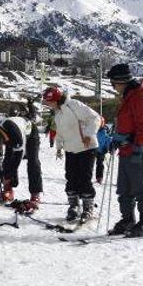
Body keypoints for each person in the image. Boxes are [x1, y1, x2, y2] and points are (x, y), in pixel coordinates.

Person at [106, 63, 143, 237]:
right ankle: (128, 219)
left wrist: (133, 141)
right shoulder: (129, 95)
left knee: (140, 185)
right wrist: (118, 138)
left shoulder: (141, 96)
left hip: (139, 146)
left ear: (122, 82)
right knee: (124, 186)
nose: (113, 88)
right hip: (127, 146)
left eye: (114, 83)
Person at [42, 87, 101, 222]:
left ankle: (88, 208)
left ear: (56, 99)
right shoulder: (57, 113)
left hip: (86, 147)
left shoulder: (73, 105)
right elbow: (60, 133)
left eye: (49, 101)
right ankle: (73, 206)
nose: (48, 104)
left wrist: (89, 134)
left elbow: (95, 118)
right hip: (70, 149)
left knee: (84, 178)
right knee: (71, 178)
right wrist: (58, 147)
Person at [0, 112, 43, 211]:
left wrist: (8, 176)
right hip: (8, 135)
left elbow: (17, 159)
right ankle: (8, 190)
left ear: (1, 141)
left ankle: (35, 193)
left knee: (33, 162)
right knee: (7, 161)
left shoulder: (16, 137)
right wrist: (1, 175)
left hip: (29, 133)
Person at [95, 119, 112, 183]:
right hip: (93, 149)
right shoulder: (94, 130)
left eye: (101, 123)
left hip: (101, 150)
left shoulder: (105, 131)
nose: (99, 125)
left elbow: (108, 140)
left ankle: (99, 177)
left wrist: (107, 147)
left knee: (100, 163)